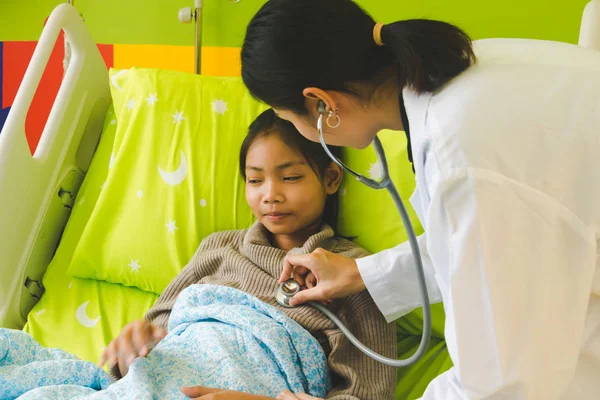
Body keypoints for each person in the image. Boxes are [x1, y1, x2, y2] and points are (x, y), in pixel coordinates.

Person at [239, 0, 600, 399]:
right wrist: (361, 275)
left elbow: (497, 386)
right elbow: (493, 244)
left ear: (322, 104)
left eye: (289, 120)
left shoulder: (462, 149)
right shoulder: (471, 76)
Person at [99, 109, 397, 400]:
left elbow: (365, 391)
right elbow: (156, 331)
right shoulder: (219, 248)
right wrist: (131, 350)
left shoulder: (353, 273)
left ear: (331, 178)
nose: (270, 194)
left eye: (290, 177)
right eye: (255, 180)